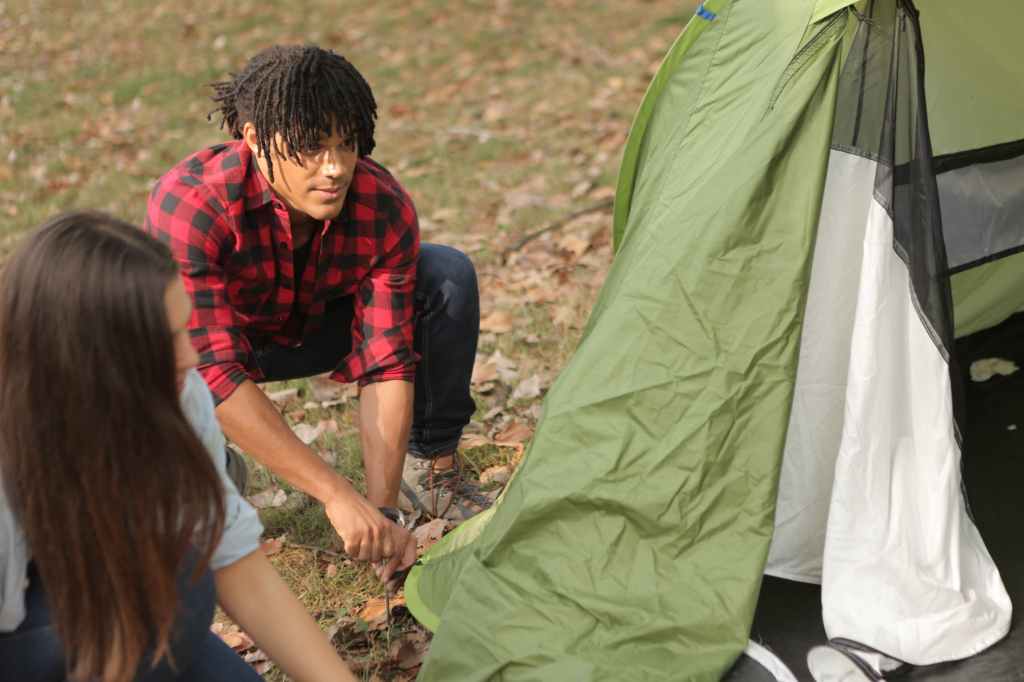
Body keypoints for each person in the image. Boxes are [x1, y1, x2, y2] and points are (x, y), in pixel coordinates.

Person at [144, 44, 489, 568]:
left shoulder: (380, 202)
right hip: (192, 358)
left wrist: (381, 513)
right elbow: (211, 370)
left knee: (443, 276)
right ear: (255, 138)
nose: (334, 169)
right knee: (184, 501)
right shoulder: (193, 203)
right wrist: (336, 495)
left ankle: (433, 470)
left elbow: (387, 361)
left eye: (346, 145)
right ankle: (204, 461)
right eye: (310, 148)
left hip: (309, 328)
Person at [0, 212, 368, 681]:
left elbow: (233, 559)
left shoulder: (178, 391)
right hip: (29, 638)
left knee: (184, 564)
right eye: (164, 339)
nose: (191, 357)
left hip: (116, 610)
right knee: (169, 576)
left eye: (184, 329)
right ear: (88, 356)